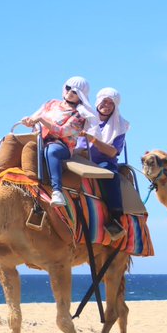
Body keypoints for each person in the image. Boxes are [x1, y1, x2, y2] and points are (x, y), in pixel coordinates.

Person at [20, 76, 96, 207]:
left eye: (75, 92)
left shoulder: (79, 115)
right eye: (68, 88)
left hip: (61, 146)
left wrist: (41, 120)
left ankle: (57, 191)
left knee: (52, 151)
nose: (70, 92)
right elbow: (34, 118)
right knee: (10, 142)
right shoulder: (51, 104)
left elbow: (62, 132)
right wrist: (28, 120)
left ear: (80, 96)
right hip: (38, 139)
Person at [81, 87, 128, 238]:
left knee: (109, 176)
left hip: (103, 162)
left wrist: (94, 140)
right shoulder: (83, 117)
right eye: (104, 101)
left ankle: (115, 217)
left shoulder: (119, 126)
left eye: (111, 103)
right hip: (78, 158)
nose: (106, 106)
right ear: (98, 101)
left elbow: (112, 152)